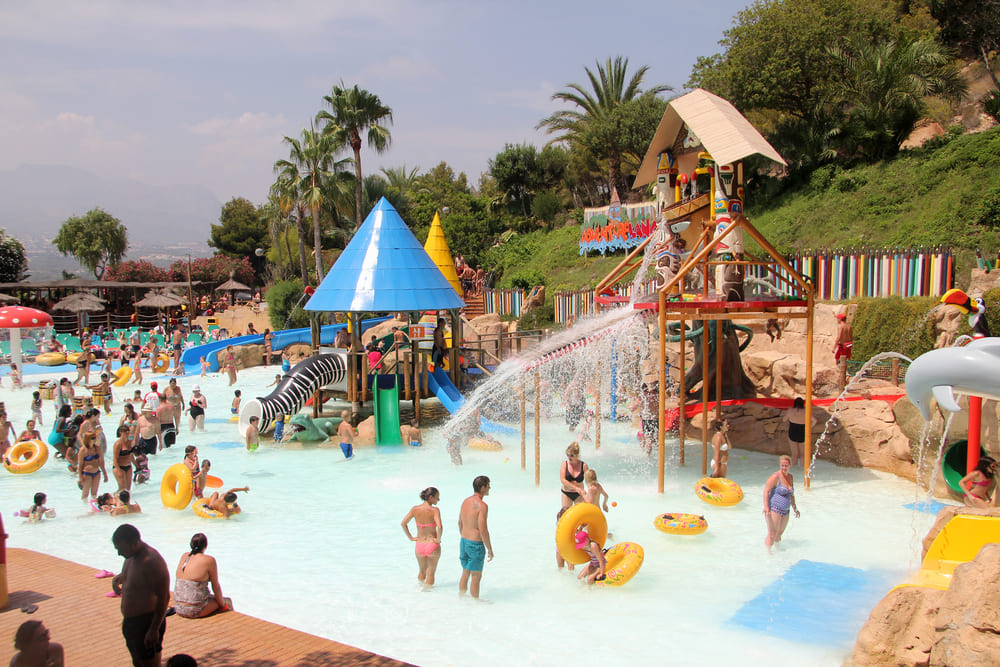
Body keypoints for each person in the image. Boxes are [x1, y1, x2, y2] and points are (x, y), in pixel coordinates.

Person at [111, 524, 170, 667]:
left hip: (146, 623)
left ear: (134, 543)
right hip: (132, 623)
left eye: (121, 549)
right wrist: (119, 578)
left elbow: (164, 597)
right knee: (138, 663)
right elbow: (136, 576)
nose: (119, 553)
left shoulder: (152, 561)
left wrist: (154, 629)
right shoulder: (131, 556)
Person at [173, 533, 230, 618]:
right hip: (195, 610)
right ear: (205, 546)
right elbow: (215, 587)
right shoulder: (209, 560)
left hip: (178, 607)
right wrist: (223, 605)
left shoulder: (184, 556)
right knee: (227, 601)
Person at [458, 475, 493, 599]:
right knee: (476, 576)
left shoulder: (465, 501)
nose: (490, 487)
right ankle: (475, 604)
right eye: (488, 485)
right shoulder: (482, 506)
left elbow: (460, 523)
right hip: (475, 544)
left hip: (464, 541)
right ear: (482, 487)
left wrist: (465, 537)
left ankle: (461, 598)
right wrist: (489, 549)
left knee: (465, 572)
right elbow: (483, 529)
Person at [400, 487, 443, 588]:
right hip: (432, 545)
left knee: (422, 572)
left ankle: (419, 592)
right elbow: (440, 527)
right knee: (431, 574)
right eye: (437, 497)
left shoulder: (415, 509)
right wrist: (438, 539)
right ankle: (427, 596)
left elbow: (403, 523)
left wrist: (410, 538)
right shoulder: (435, 510)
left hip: (419, 545)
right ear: (431, 497)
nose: (439, 500)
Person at [763, 455, 800, 549]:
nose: (784, 468)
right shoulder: (775, 477)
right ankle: (767, 553)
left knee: (779, 534)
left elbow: (791, 494)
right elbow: (766, 491)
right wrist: (766, 507)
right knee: (772, 534)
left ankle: (777, 551)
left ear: (790, 465)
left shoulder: (790, 477)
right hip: (774, 509)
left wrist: (795, 508)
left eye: (786, 465)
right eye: (782, 465)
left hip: (786, 510)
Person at [78, 431, 108, 502]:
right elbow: (80, 465)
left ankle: (93, 509)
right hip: (87, 474)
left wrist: (105, 473)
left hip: (97, 473)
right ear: (88, 439)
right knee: (85, 494)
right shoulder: (83, 450)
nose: (95, 439)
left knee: (94, 494)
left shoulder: (97, 448)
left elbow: (101, 462)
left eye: (95, 437)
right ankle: (83, 509)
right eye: (93, 438)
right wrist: (80, 478)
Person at [559, 442, 589, 510]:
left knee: (580, 514)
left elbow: (589, 481)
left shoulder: (584, 466)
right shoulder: (564, 464)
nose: (569, 457)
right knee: (566, 515)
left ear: (577, 455)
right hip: (567, 493)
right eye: (567, 455)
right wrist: (576, 488)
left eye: (572, 455)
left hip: (579, 495)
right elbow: (563, 480)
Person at [785, 397, 811, 467]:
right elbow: (815, 421)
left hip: (792, 431)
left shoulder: (790, 410)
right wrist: (809, 428)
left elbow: (784, 419)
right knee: (803, 454)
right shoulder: (806, 411)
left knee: (794, 454)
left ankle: (794, 470)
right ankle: (803, 469)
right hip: (802, 432)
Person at [112, 424, 136, 493]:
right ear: (120, 433)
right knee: (122, 488)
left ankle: (126, 502)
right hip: (119, 467)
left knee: (128, 489)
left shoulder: (129, 442)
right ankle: (114, 497)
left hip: (128, 466)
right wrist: (118, 470)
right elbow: (115, 459)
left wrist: (136, 465)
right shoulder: (118, 444)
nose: (127, 434)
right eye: (125, 432)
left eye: (128, 432)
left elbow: (131, 456)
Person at [834, 311, 853, 389]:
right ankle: (845, 376)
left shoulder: (841, 326)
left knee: (837, 360)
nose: (837, 320)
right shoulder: (849, 326)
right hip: (848, 345)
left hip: (842, 346)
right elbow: (852, 337)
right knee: (845, 361)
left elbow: (839, 337)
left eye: (837, 318)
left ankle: (843, 378)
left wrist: (834, 347)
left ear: (840, 319)